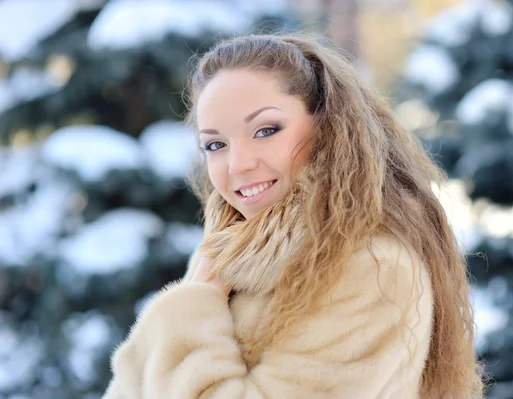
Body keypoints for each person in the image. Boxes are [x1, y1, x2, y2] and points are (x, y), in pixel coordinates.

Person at [102, 34, 486, 399]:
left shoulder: (372, 267)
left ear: (328, 126)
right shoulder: (226, 256)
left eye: (266, 130)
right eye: (215, 144)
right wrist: (196, 300)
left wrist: (190, 314)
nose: (238, 164)